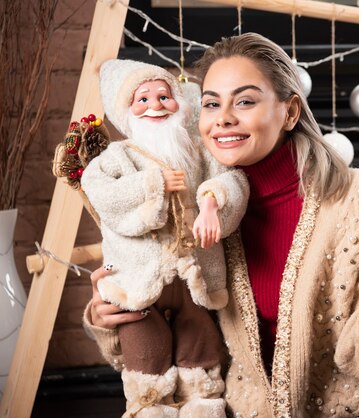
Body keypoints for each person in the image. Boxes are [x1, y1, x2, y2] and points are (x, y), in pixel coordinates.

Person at [85, 33, 359, 417]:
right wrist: (112, 314)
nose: (224, 117)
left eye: (244, 100)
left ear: (290, 112)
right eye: (211, 103)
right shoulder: (195, 208)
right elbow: (187, 344)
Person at [81, 59, 249, 418]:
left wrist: (210, 201)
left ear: (180, 101)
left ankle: (203, 403)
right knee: (145, 347)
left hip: (194, 275)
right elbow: (101, 194)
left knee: (199, 340)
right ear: (126, 111)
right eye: (143, 99)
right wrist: (152, 183)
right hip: (138, 281)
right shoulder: (118, 157)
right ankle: (149, 406)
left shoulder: (197, 150)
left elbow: (233, 180)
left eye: (164, 96)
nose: (155, 105)